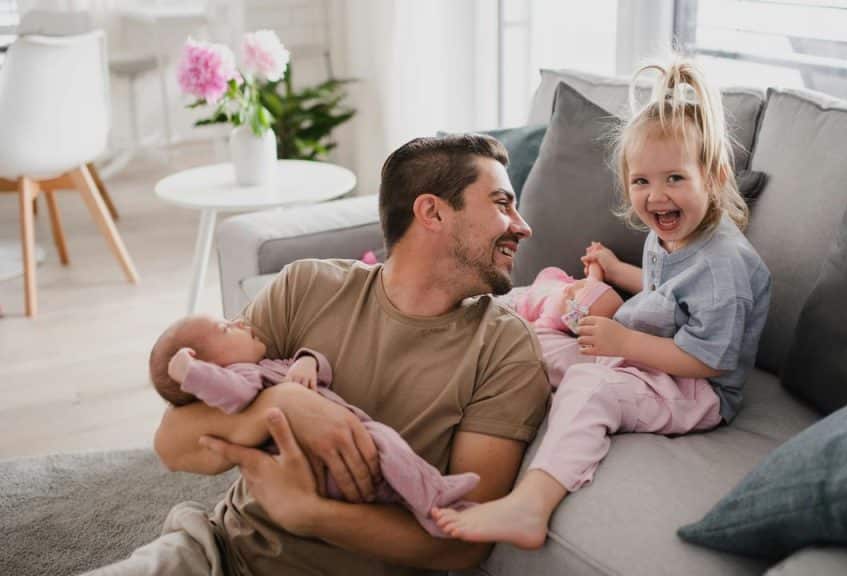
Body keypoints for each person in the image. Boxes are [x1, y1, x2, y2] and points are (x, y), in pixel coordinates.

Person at [87, 134, 550, 576]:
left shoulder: (504, 349)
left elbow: (463, 540)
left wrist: (309, 514)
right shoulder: (307, 287)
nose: (523, 226)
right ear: (431, 211)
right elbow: (172, 445)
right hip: (220, 554)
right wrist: (281, 405)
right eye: (502, 203)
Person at [432, 56, 772, 550]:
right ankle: (444, 341)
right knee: (534, 338)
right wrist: (618, 272)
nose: (656, 197)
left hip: (697, 391)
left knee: (593, 386)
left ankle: (532, 503)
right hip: (648, 349)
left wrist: (623, 342)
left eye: (675, 178)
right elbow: (667, 292)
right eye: (642, 182)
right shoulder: (671, 231)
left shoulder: (725, 268)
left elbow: (710, 361)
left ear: (715, 176)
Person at [147, 313, 481, 537]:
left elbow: (315, 366)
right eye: (225, 329)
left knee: (389, 466)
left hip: (332, 470)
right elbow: (231, 395)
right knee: (386, 444)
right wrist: (191, 374)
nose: (240, 320)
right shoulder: (242, 375)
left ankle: (429, 506)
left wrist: (307, 361)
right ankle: (434, 495)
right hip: (312, 471)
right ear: (210, 367)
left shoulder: (267, 364)